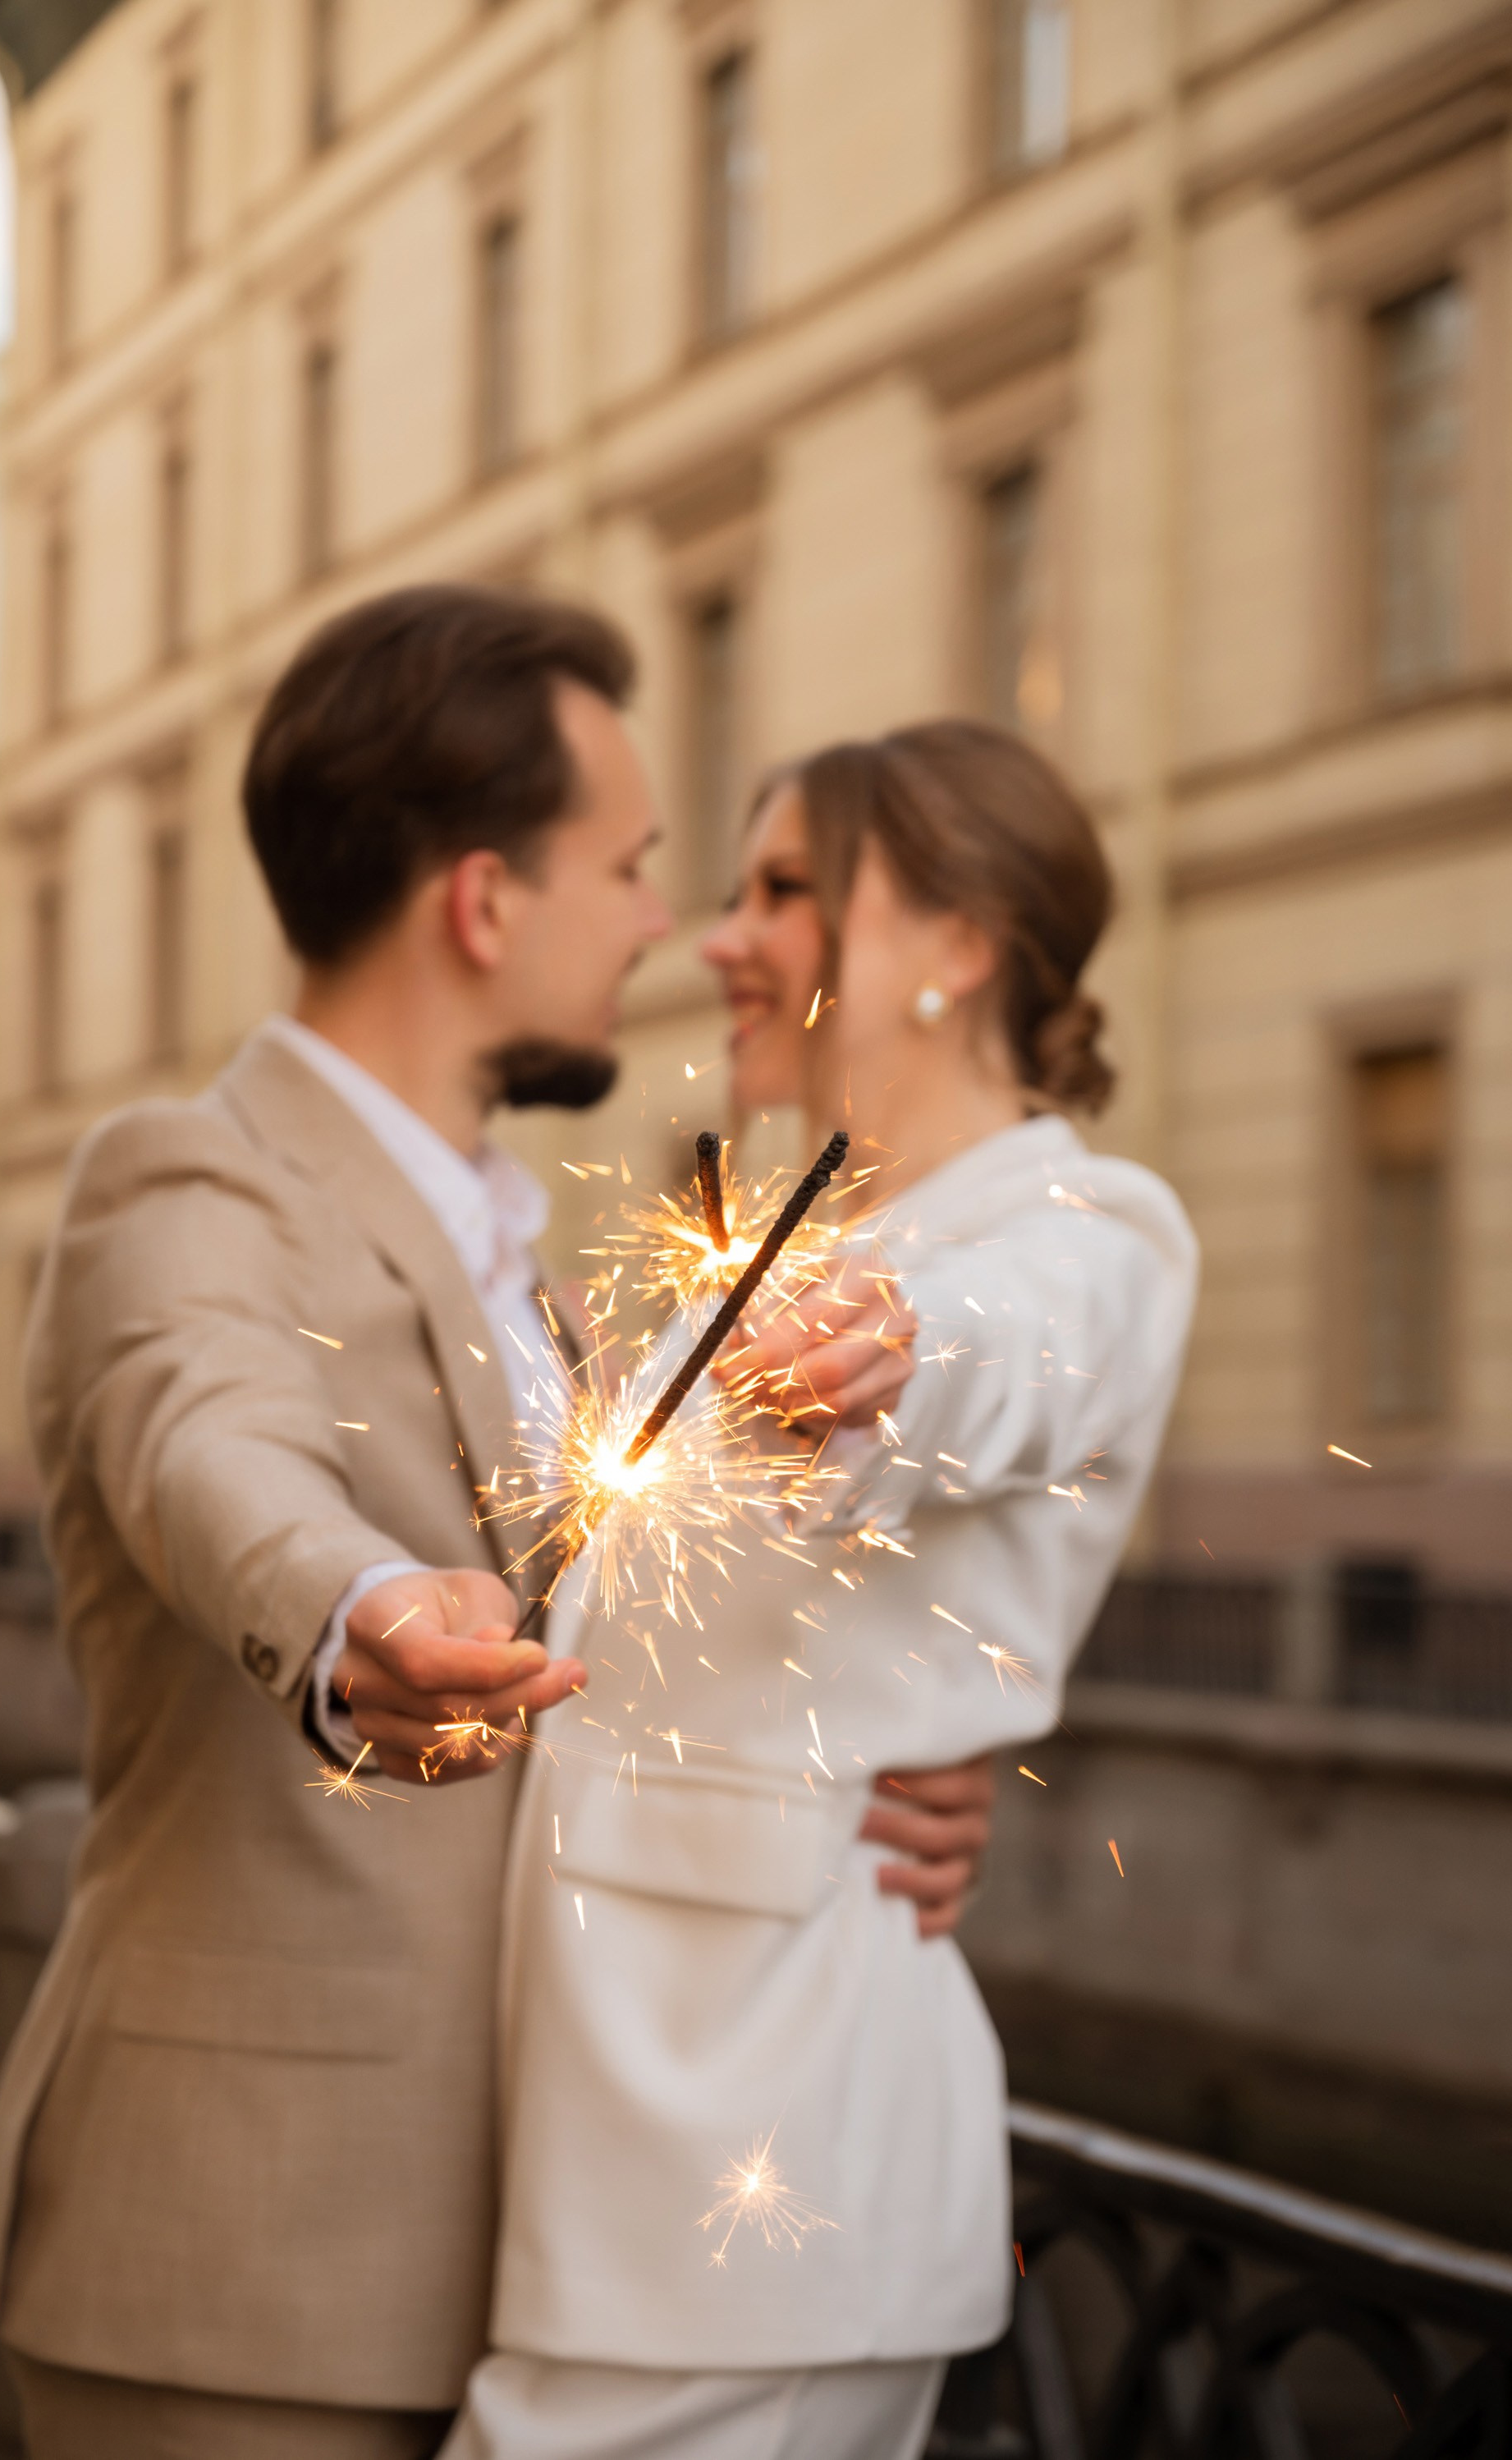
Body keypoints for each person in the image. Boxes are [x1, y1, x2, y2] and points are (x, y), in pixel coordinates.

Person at [0, 588, 995, 2460]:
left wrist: (874, 1780)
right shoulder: (186, 1178)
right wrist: (358, 1613)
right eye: (630, 866)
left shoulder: (533, 1259)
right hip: (245, 2268)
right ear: (484, 899)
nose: (662, 923)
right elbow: (205, 1442)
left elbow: (628, 1649)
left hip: (542, 2262)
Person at [444, 721, 1200, 2460]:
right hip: (628, 2171)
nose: (722, 935)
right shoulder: (803, 1237)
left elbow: (1017, 1363)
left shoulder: (1084, 1231)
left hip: (759, 2189)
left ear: (959, 945)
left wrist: (899, 1363)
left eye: (785, 888)